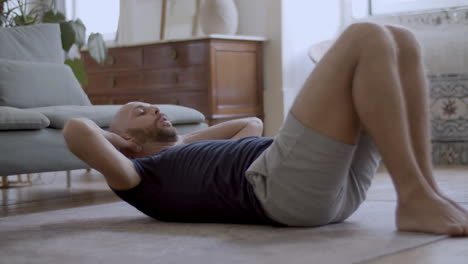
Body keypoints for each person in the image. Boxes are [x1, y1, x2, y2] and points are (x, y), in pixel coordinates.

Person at [63, 22, 468, 236]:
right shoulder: (140, 176)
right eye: (139, 112)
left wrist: (182, 139)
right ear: (127, 140)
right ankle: (412, 196)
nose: (152, 107)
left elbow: (251, 124)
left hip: (330, 195)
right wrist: (125, 145)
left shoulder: (183, 152)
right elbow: (77, 129)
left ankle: (428, 191)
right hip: (279, 191)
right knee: (365, 36)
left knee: (402, 40)